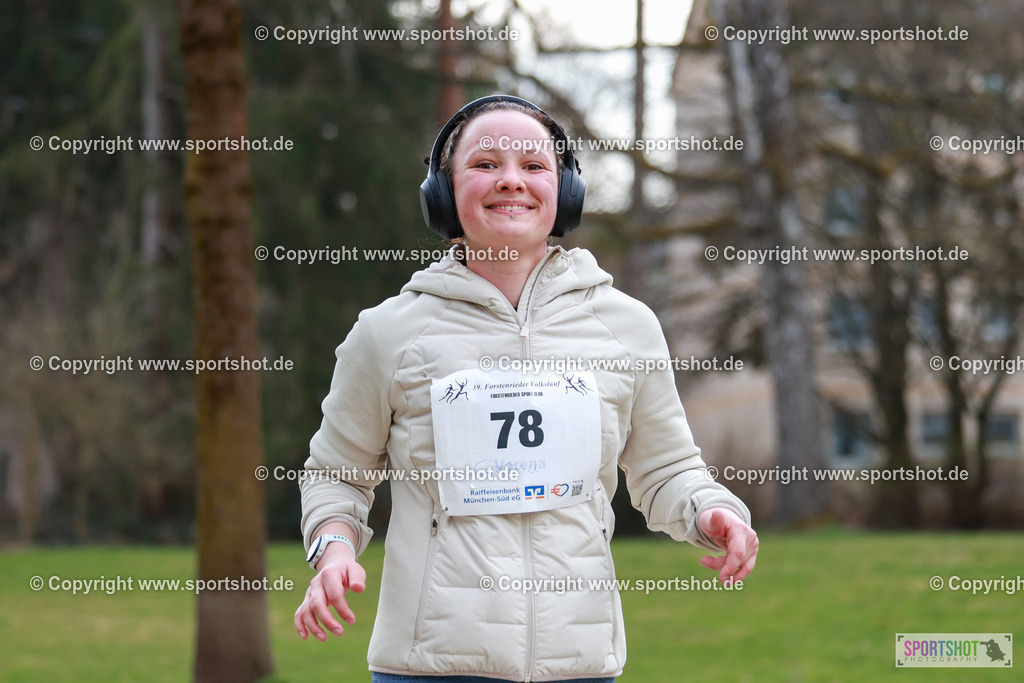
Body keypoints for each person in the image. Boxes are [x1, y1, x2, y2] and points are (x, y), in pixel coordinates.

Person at [294, 95, 758, 682]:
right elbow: (336, 473)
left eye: (535, 166)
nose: (511, 180)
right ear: (443, 193)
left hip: (581, 666)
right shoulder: (387, 334)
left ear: (564, 192)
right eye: (486, 164)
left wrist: (710, 510)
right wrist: (333, 550)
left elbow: (666, 468)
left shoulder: (627, 326)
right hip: (429, 668)